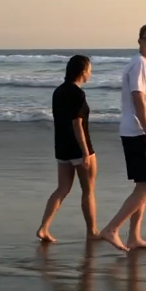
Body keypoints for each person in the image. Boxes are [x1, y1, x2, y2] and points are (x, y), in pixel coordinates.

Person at [99, 23, 146, 252]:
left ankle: (134, 236)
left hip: (134, 130)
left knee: (143, 184)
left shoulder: (142, 64)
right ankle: (111, 229)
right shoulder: (140, 64)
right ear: (139, 41)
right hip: (138, 131)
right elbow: (138, 98)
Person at [37, 55, 97, 243]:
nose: (91, 73)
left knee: (62, 189)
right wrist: (85, 151)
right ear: (83, 71)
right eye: (90, 69)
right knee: (88, 190)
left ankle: (44, 228)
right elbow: (77, 123)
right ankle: (92, 231)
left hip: (62, 148)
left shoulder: (59, 91)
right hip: (78, 148)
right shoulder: (78, 94)